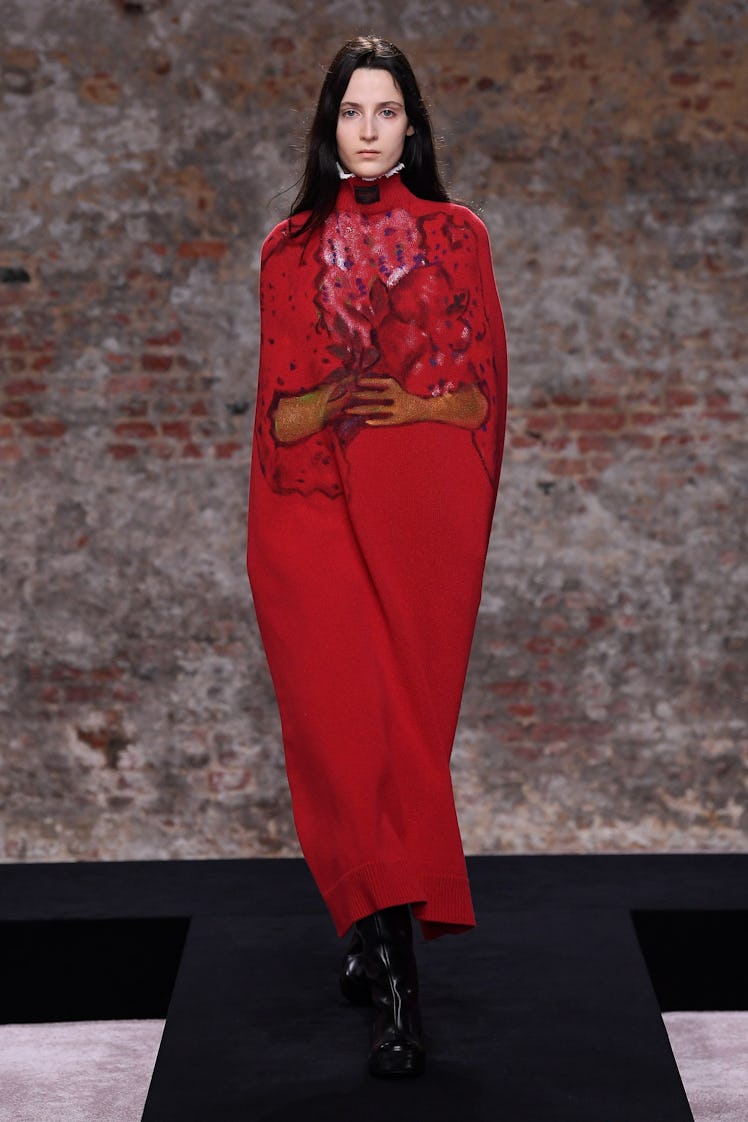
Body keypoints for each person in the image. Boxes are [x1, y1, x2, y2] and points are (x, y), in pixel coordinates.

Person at [247, 35, 508, 1078]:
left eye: (385, 111)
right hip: (306, 523)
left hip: (413, 529)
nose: (366, 129)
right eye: (351, 111)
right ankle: (397, 995)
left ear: (412, 126)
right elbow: (279, 419)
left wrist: (414, 403)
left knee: (400, 743)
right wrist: (336, 393)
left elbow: (483, 398)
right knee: (344, 740)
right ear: (329, 124)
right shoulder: (287, 247)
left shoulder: (458, 236)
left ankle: (369, 937)